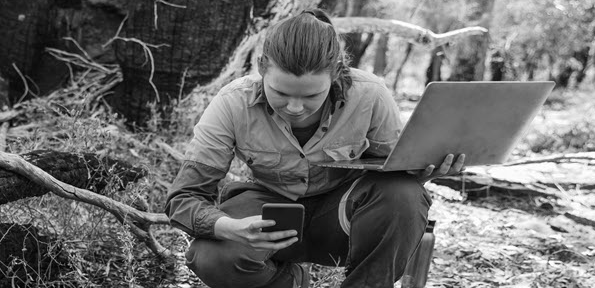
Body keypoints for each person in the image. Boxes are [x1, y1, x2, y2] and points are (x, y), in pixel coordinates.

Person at [164, 9, 465, 288]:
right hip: (269, 216)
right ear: (261, 68)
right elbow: (184, 198)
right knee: (209, 256)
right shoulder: (232, 103)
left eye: (311, 96)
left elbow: (395, 185)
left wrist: (423, 171)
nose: (295, 108)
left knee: (405, 194)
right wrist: (230, 228)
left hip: (342, 220)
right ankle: (292, 281)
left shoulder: (370, 95)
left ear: (335, 73)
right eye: (280, 93)